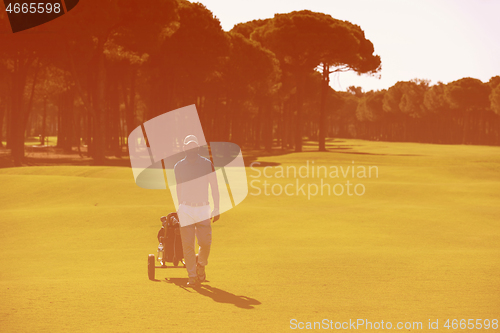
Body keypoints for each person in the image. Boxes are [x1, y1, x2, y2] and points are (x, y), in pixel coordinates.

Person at [174, 135, 220, 287]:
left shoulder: (207, 164)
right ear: (185, 148)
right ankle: (192, 276)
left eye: (194, 146)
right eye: (189, 146)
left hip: (202, 208)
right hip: (186, 208)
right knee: (188, 245)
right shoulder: (178, 166)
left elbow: (214, 185)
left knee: (205, 243)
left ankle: (201, 264)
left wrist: (217, 207)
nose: (191, 149)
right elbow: (179, 187)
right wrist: (179, 207)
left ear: (197, 148)